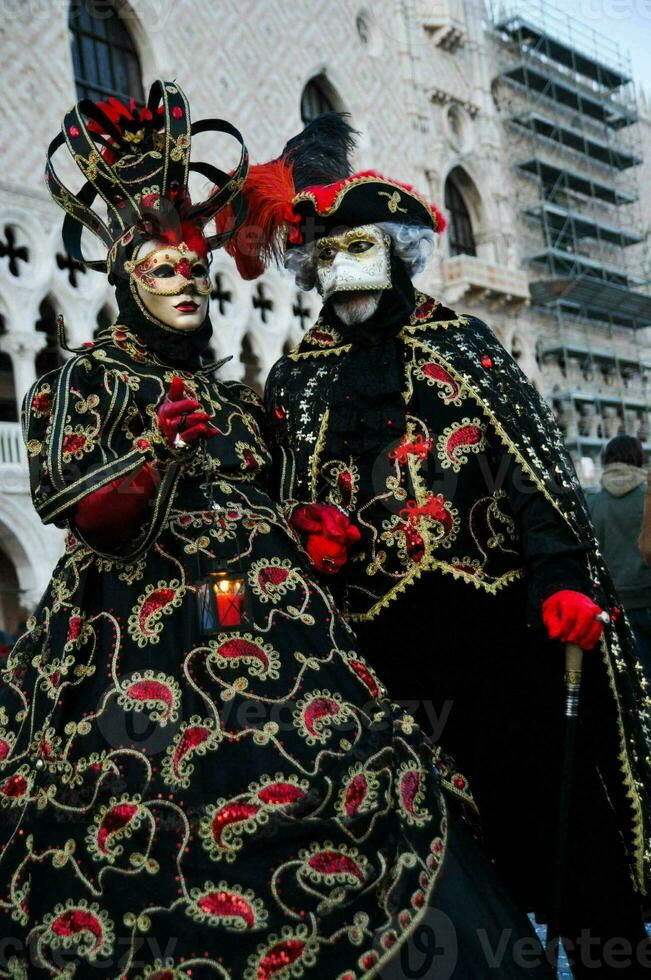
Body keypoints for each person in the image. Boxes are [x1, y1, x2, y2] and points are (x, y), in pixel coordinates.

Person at [0, 84, 553, 979]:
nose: (186, 284)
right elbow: (84, 509)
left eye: (194, 269)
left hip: (287, 634)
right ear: (124, 280)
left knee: (359, 774)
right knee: (147, 809)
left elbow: (275, 494)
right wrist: (155, 455)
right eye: (162, 271)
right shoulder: (80, 381)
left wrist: (311, 521)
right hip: (136, 644)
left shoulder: (238, 398)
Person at [219, 115, 651, 977]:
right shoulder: (299, 380)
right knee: (428, 845)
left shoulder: (464, 349)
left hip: (501, 642)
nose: (347, 279)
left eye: (361, 257)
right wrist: (313, 534)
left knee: (556, 830)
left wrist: (559, 576)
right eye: (329, 263)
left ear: (392, 254)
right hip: (382, 663)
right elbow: (283, 498)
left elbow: (532, 476)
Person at [590, 435, 651, 677]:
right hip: (648, 592)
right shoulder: (647, 498)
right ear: (639, 458)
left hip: (616, 604)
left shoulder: (593, 503)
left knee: (634, 680)